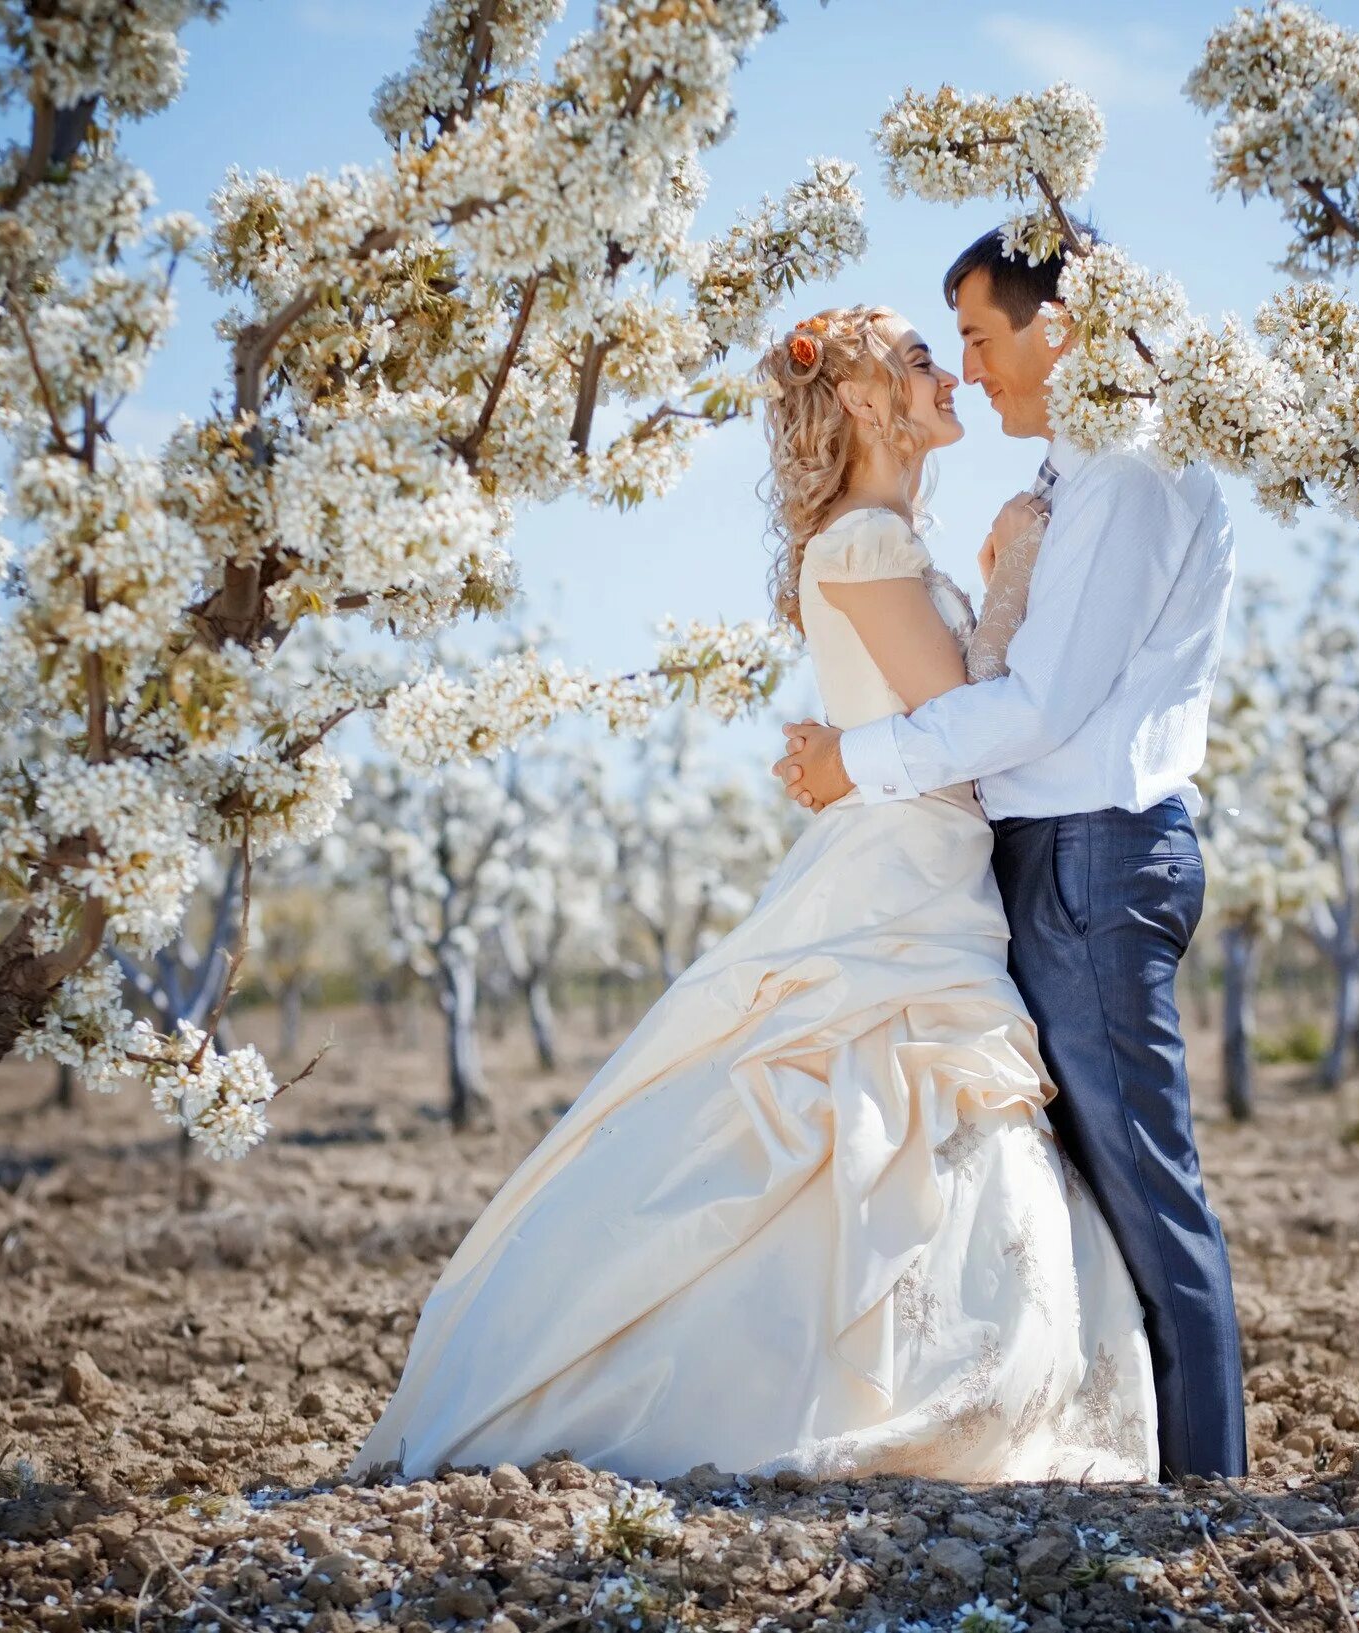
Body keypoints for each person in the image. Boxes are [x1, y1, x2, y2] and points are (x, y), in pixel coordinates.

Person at [349, 302, 1156, 1486]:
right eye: (924, 362)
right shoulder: (864, 546)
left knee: (909, 1119)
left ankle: (916, 1372)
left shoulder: (883, 539)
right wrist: (1015, 574)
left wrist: (976, 586)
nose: (951, 379)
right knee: (886, 1107)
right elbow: (966, 720)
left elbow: (926, 711)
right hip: (899, 878)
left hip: (926, 865)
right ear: (867, 399)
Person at [774, 229, 1249, 1479]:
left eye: (980, 340)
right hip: (1045, 861)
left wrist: (852, 764)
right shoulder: (1072, 476)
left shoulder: (1129, 475)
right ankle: (1155, 1467)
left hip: (1091, 857)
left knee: (1145, 1197)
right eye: (954, 350)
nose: (972, 374)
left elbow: (1033, 708)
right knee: (1094, 1196)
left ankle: (1210, 1487)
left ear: (1064, 325)